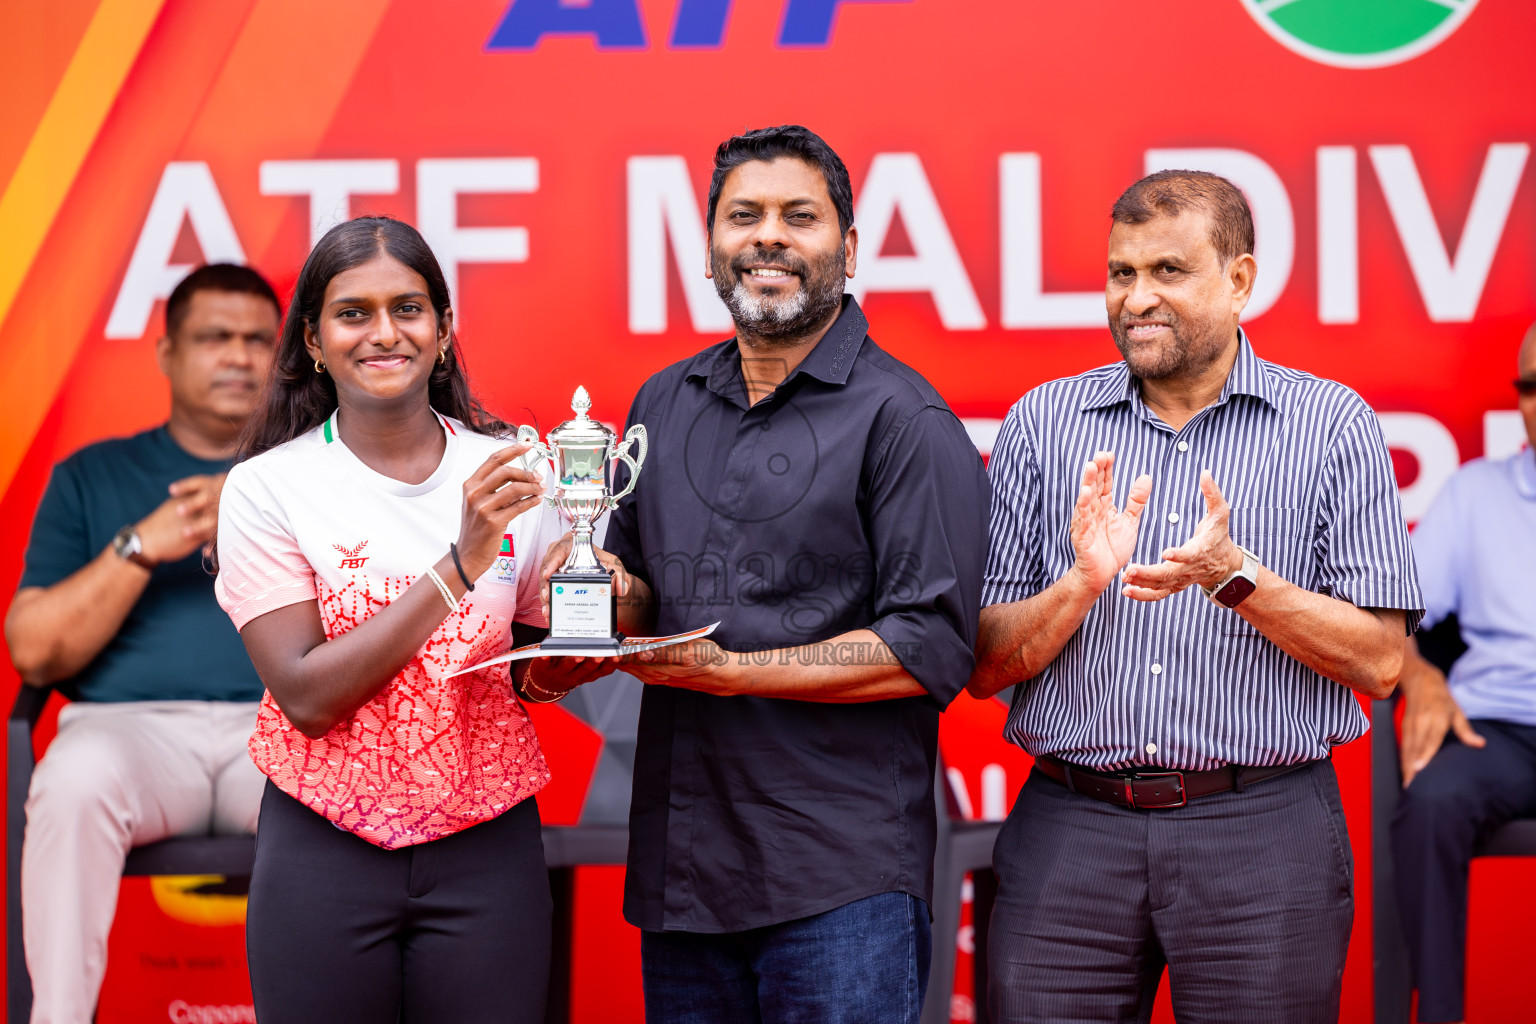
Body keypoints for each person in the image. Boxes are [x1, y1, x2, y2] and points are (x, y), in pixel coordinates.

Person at [536, 124, 989, 1024]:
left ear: (849, 249)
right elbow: (640, 587)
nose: (768, 237)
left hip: (839, 879)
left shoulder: (904, 418)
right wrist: (599, 588)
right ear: (710, 248)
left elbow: (928, 646)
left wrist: (734, 672)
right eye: (744, 215)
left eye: (799, 216)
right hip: (686, 868)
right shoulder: (663, 401)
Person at [969, 170, 1423, 1024]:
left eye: (1168, 271)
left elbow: (1381, 662)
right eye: (1120, 273)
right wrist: (1081, 585)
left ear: (1240, 280)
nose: (1136, 297)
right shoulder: (1041, 423)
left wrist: (1236, 580)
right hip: (1072, 827)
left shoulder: (1333, 427)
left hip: (1264, 833)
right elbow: (987, 665)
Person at [213, 216, 575, 1023]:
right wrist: (460, 564)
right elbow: (307, 698)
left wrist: (590, 634)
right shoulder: (268, 489)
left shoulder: (517, 470)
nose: (385, 333)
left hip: (488, 842)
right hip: (323, 847)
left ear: (444, 330)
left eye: (408, 309)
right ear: (312, 339)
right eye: (353, 313)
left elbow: (538, 658)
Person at [3, 264, 279, 1024]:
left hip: (286, 727)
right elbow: (33, 652)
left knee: (350, 800)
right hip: (133, 737)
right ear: (166, 354)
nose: (239, 357)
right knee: (72, 780)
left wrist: (260, 507)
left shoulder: (313, 474)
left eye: (259, 340)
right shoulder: (92, 476)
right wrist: (141, 545)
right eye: (214, 338)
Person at [1390, 325, 1536, 1024]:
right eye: (1531, 386)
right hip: (1498, 731)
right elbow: (1393, 621)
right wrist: (1419, 675)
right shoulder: (1476, 493)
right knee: (1431, 803)